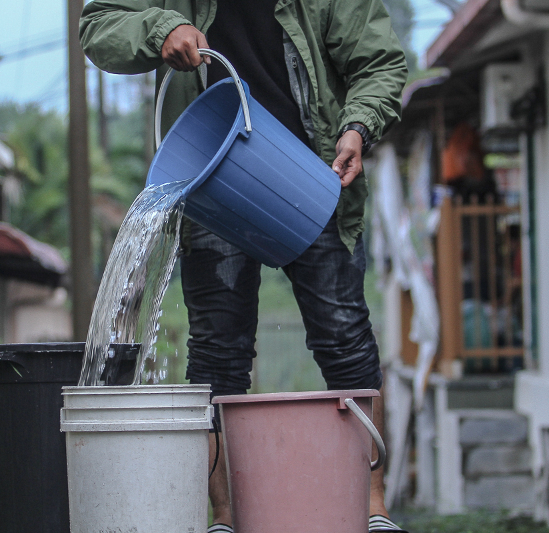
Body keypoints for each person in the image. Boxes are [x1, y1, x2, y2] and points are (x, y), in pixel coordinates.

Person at [80, 1, 408, 532]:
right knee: (217, 353)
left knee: (344, 337)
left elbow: (380, 63)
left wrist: (357, 128)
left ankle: (372, 508)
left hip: (316, 171)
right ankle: (226, 518)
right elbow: (99, 24)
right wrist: (164, 27)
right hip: (211, 173)